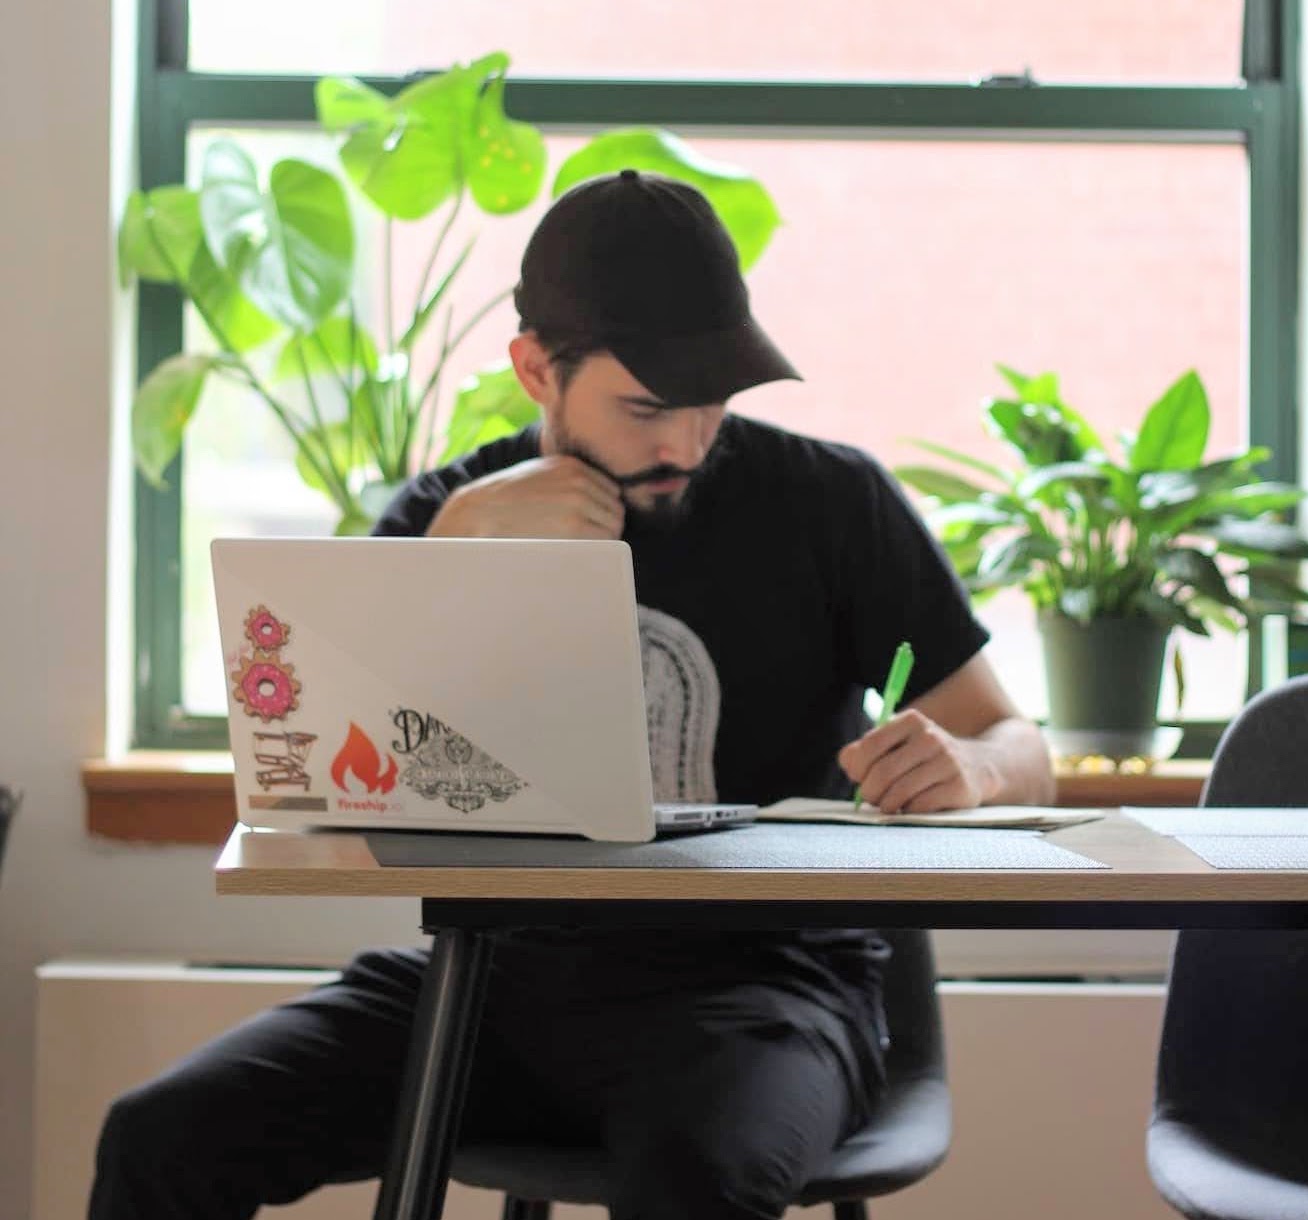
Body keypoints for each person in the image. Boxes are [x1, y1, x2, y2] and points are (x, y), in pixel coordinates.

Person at [89, 169, 1055, 1220]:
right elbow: (307, 793)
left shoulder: (830, 501)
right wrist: (450, 548)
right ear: (535, 370)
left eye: (710, 403)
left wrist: (972, 764)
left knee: (697, 1183)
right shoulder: (448, 513)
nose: (685, 443)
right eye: (646, 406)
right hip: (492, 984)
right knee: (161, 1135)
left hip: (761, 994)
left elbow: (1022, 745)